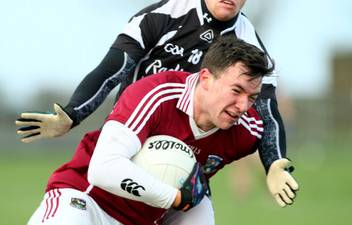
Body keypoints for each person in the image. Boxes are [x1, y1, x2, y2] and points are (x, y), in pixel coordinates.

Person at [17, 0, 297, 214]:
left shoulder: (253, 49)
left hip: (186, 164)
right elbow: (114, 68)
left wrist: (274, 162)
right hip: (133, 144)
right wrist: (74, 112)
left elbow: (266, 111)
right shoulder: (160, 17)